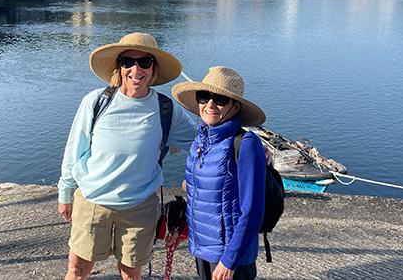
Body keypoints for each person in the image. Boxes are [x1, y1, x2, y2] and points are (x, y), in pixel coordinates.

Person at [58, 32, 196, 280]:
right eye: (128, 62)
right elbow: (74, 149)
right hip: (92, 201)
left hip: (139, 207)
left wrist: (245, 144)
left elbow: (201, 142)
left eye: (144, 62)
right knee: (77, 270)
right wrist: (65, 192)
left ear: (153, 68)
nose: (136, 69)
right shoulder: (97, 101)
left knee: (132, 274)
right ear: (118, 67)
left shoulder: (166, 109)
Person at [172, 66, 267, 280]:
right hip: (202, 249)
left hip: (230, 258)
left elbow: (252, 210)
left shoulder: (246, 144)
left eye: (221, 99)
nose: (210, 105)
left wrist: (229, 260)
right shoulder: (202, 139)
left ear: (235, 106)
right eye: (204, 97)